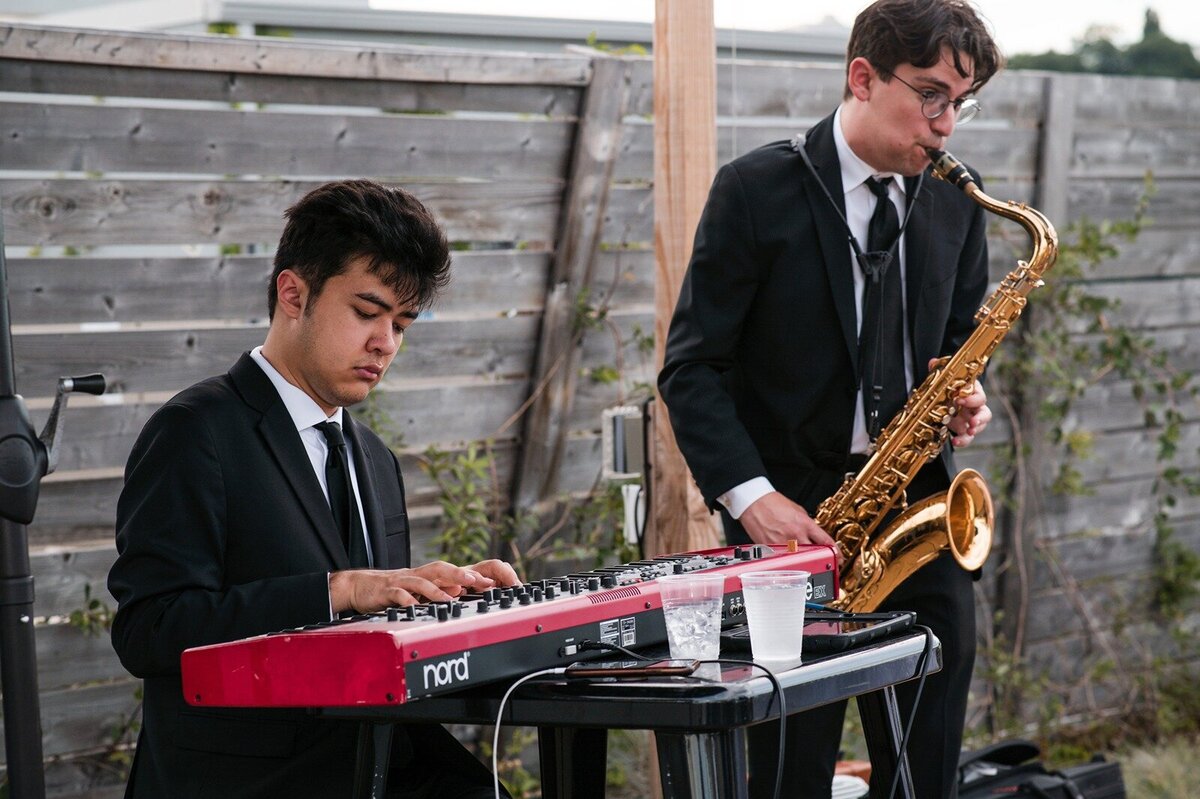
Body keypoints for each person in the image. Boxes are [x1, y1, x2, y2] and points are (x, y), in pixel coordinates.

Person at [657, 0, 1002, 795]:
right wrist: (753, 500)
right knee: (791, 770)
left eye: (962, 101)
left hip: (918, 512)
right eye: (931, 96)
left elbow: (954, 346)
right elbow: (691, 370)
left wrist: (965, 396)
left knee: (926, 773)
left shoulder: (956, 197)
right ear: (862, 76)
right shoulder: (756, 189)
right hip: (792, 523)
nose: (947, 125)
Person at [107, 179, 520, 799]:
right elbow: (150, 629)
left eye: (403, 322)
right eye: (366, 311)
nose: (386, 342)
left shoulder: (375, 459)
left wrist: (450, 601)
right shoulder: (195, 430)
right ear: (294, 293)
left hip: (375, 762)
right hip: (247, 780)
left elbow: (373, 640)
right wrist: (339, 590)